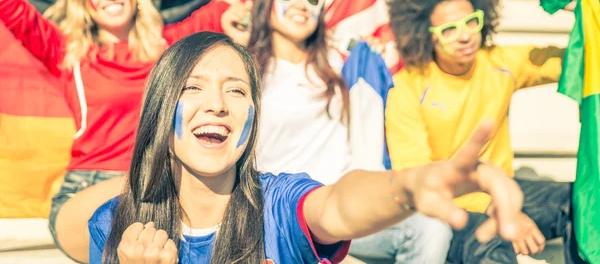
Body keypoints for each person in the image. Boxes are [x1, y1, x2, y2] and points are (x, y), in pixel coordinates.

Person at [88, 31, 524, 264]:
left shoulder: (278, 203)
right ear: (161, 108)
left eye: (237, 91)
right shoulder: (113, 226)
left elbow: (337, 204)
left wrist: (409, 187)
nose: (217, 105)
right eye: (192, 87)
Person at [0, 0, 260, 263]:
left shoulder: (167, 48)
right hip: (89, 188)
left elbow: (221, 7)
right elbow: (10, 7)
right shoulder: (66, 49)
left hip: (159, 190)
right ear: (82, 0)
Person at [213, 0, 451, 263]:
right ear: (266, 4)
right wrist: (233, 37)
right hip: (288, 212)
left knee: (431, 225)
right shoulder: (245, 70)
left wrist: (370, 54)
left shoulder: (342, 64)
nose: (301, 5)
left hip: (349, 205)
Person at [386, 0, 585, 264]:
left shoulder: (501, 63)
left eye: (471, 22)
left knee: (588, 205)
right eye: (449, 30)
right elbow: (421, 181)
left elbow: (580, 62)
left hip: (504, 190)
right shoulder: (407, 87)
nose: (464, 36)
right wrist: (496, 206)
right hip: (446, 207)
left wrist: (587, 14)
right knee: (489, 243)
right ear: (428, 35)